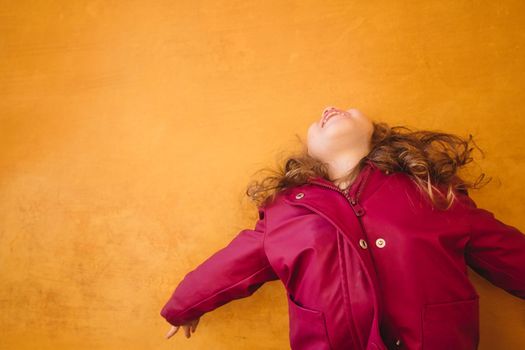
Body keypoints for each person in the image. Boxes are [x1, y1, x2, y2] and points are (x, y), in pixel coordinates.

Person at [160, 107, 525, 349]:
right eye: (319, 117)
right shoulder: (286, 210)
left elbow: (502, 248)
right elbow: (233, 266)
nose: (330, 108)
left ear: (376, 135)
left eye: (350, 109)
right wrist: (184, 306)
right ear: (308, 152)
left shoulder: (428, 189)